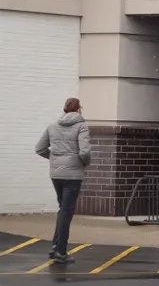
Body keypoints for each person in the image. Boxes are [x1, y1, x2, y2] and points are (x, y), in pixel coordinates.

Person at [34, 98, 91, 264]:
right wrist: (83, 164)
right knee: (67, 212)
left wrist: (54, 159)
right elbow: (84, 151)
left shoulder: (52, 126)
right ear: (79, 109)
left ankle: (55, 246)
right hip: (73, 175)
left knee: (63, 209)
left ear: (64, 110)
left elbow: (39, 148)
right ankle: (61, 251)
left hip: (56, 174)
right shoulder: (82, 126)